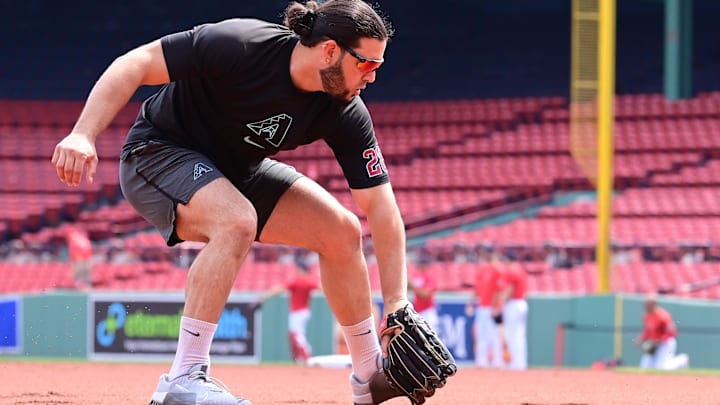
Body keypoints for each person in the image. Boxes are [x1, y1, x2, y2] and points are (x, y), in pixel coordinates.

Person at [51, 1, 421, 404]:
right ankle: (183, 379)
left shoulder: (345, 110)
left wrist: (398, 301)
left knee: (341, 231)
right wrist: (83, 134)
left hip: (235, 171)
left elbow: (381, 208)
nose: (374, 76)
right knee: (236, 221)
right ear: (330, 50)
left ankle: (369, 377)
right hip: (157, 153)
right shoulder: (240, 44)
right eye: (367, 64)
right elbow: (135, 62)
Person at [260, 252, 320, 364]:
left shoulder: (297, 280)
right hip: (305, 311)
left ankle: (307, 357)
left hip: (297, 312)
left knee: (297, 335)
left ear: (301, 269)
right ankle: (298, 358)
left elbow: (279, 289)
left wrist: (265, 297)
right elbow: (320, 286)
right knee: (293, 335)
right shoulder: (309, 281)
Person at [466, 253, 505, 368]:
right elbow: (476, 288)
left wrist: (495, 307)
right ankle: (481, 360)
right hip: (482, 306)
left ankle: (498, 360)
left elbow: (498, 290)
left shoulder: (498, 270)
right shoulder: (482, 269)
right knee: (481, 334)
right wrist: (470, 302)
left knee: (494, 334)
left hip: (491, 307)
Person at [634, 295, 689, 370]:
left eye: (647, 304)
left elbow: (672, 332)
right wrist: (640, 339)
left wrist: (658, 340)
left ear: (653, 304)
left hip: (666, 343)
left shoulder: (663, 316)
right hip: (654, 344)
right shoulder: (646, 316)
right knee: (644, 367)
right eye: (645, 304)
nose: (645, 306)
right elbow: (648, 331)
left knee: (661, 368)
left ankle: (682, 360)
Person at [497, 261, 528, 370]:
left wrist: (501, 300)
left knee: (512, 335)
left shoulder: (512, 271)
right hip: (522, 302)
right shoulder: (521, 270)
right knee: (520, 335)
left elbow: (510, 288)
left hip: (513, 304)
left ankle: (515, 363)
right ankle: (520, 363)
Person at [407, 256, 438, 332]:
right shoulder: (417, 277)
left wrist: (413, 284)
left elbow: (425, 295)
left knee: (431, 338)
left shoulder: (430, 277)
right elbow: (407, 289)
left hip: (428, 312)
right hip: (418, 312)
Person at [62, 225, 94, 289]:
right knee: (79, 271)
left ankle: (83, 284)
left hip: (84, 259)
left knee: (84, 272)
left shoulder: (80, 239)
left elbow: (86, 252)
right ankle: (78, 284)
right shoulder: (76, 236)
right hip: (81, 258)